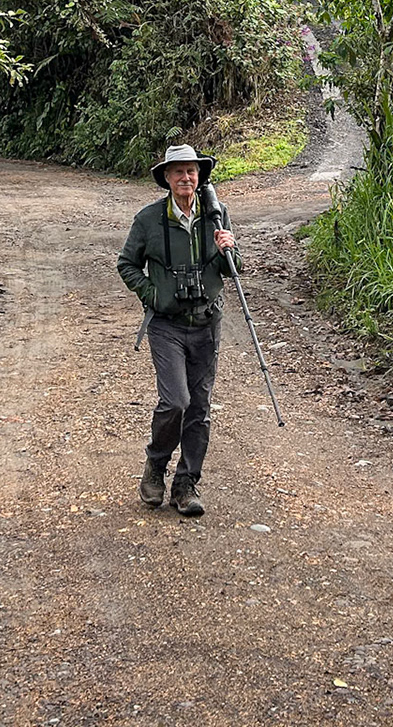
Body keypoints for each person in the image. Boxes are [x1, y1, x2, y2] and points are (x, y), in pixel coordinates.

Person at [117, 143, 237, 517]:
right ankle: (156, 465)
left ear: (199, 177)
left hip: (206, 322)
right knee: (176, 402)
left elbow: (233, 269)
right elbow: (126, 264)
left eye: (192, 171)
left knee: (199, 407)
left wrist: (229, 249)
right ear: (167, 178)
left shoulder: (216, 214)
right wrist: (153, 294)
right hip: (166, 325)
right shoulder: (148, 220)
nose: (186, 177)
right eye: (179, 171)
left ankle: (186, 484)